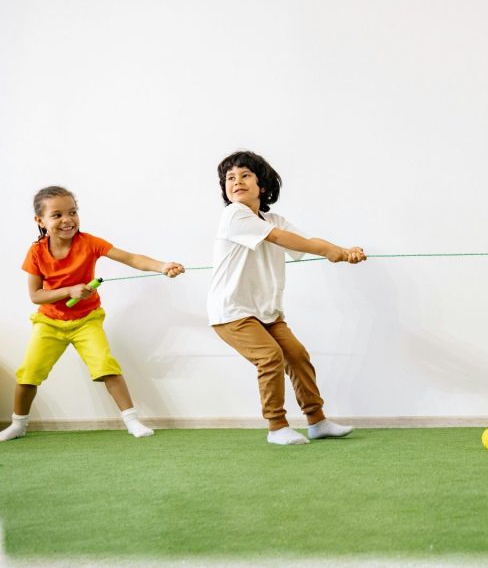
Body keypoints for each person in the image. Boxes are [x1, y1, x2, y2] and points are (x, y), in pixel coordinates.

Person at [0, 186, 184, 442]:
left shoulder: (89, 243)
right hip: (49, 322)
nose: (67, 220)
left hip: (87, 320)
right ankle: (19, 424)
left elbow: (130, 258)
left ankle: (132, 421)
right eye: (57, 215)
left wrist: (162, 266)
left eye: (72, 212)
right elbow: (36, 296)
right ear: (40, 221)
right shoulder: (36, 252)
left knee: (105, 366)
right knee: (29, 373)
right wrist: (69, 291)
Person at [207, 151, 366, 446]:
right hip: (232, 311)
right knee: (270, 357)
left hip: (266, 312)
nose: (236, 181)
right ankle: (276, 427)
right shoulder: (234, 215)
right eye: (230, 178)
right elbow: (280, 239)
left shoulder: (273, 219)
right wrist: (334, 252)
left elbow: (303, 243)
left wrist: (343, 251)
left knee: (296, 355)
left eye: (245, 175)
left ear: (263, 186)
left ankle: (317, 422)